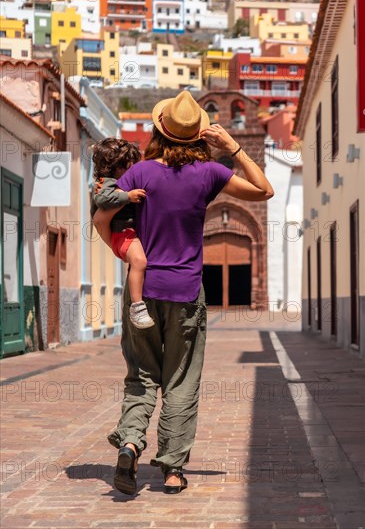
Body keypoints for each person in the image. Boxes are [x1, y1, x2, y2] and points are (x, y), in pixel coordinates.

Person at [93, 91, 274, 495]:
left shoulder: (138, 174)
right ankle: (172, 470)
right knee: (180, 380)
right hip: (186, 292)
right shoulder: (209, 172)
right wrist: (233, 149)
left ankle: (129, 444)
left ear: (159, 130)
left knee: (141, 376)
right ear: (198, 136)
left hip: (144, 292)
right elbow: (264, 191)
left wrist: (123, 252)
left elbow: (101, 214)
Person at [91, 138, 154, 329]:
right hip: (122, 234)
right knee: (139, 262)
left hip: (129, 234)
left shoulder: (120, 180)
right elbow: (102, 199)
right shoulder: (106, 182)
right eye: (129, 165)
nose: (133, 168)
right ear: (114, 165)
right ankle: (137, 307)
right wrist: (128, 196)